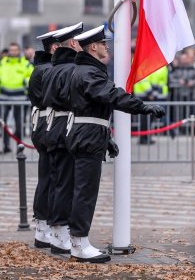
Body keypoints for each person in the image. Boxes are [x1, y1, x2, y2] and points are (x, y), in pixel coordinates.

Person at [66, 25, 165, 263]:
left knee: (84, 189)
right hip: (87, 135)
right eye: (103, 43)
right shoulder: (90, 72)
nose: (106, 46)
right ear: (93, 47)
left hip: (89, 133)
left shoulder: (86, 70)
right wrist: (143, 107)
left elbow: (93, 107)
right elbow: (111, 95)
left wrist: (106, 137)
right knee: (85, 192)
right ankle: (79, 244)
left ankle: (79, 241)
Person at [41, 22, 83, 255]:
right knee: (65, 182)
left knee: (59, 181)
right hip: (64, 127)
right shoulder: (68, 69)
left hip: (54, 127)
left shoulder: (54, 67)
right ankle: (60, 233)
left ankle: (57, 232)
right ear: (73, 44)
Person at [29, 29, 60, 249]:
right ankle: (42, 226)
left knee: (51, 175)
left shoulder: (45, 68)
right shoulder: (46, 70)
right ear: (55, 48)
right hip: (46, 124)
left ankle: (45, 225)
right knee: (48, 176)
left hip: (46, 124)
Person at [0, 42, 33, 153]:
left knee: (19, 125)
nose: (13, 52)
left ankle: (20, 147)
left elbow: (32, 77)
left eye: (15, 50)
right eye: (11, 50)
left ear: (19, 51)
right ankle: (6, 147)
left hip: (19, 98)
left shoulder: (25, 64)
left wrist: (25, 81)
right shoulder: (2, 63)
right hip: (4, 97)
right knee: (3, 124)